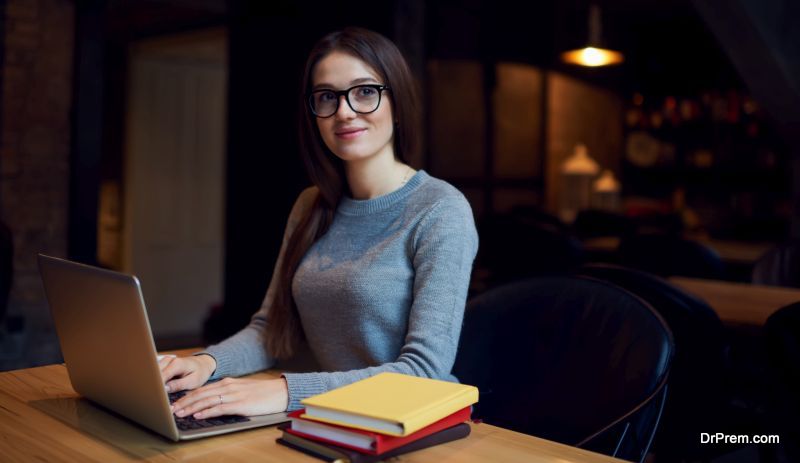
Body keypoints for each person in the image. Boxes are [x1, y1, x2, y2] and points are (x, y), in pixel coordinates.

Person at [160, 27, 478, 420]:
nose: (344, 111)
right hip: (328, 417)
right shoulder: (310, 205)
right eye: (327, 96)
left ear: (397, 101)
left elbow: (424, 373)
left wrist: (285, 391)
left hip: (409, 425)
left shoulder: (440, 209)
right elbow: (271, 331)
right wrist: (205, 363)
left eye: (364, 91)